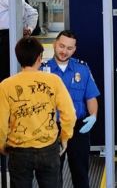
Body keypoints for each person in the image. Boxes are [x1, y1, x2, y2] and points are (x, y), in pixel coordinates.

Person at [0, 36, 76, 187]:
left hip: (18, 150)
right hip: (48, 148)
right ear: (39, 58)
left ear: (18, 57)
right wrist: (65, 137)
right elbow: (69, 114)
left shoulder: (6, 85)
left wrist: (2, 144)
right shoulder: (54, 81)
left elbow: (1, 122)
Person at [42, 30, 100, 188]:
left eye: (69, 48)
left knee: (81, 173)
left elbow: (91, 97)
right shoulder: (42, 71)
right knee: (52, 176)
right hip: (51, 129)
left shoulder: (82, 69)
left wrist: (93, 115)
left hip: (78, 128)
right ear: (54, 44)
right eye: (61, 46)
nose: (64, 51)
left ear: (74, 50)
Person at [0, 0, 38, 82]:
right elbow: (32, 12)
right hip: (13, 35)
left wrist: (19, 25)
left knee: (4, 73)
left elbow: (18, 8)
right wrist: (28, 28)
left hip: (5, 38)